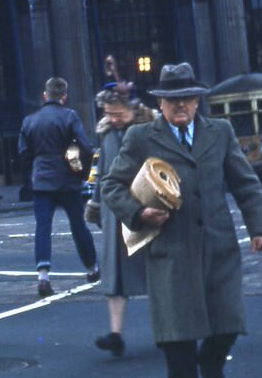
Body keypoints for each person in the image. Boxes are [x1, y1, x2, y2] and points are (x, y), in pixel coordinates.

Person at [101, 63, 262, 378]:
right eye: (173, 99)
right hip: (171, 257)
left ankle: (209, 365)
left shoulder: (219, 132)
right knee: (178, 353)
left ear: (197, 100)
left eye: (188, 98)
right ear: (160, 103)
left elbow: (245, 184)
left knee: (227, 328)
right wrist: (139, 213)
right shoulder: (141, 136)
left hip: (218, 251)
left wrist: (259, 229)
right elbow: (111, 185)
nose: (181, 104)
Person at [86, 85, 155, 357]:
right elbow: (102, 172)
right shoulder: (107, 134)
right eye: (108, 113)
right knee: (114, 276)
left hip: (144, 209)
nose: (113, 118)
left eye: (118, 113)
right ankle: (116, 334)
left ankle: (169, 330)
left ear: (131, 109)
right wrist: (94, 202)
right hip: (113, 211)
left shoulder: (148, 130)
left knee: (156, 273)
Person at [18, 76, 99, 297]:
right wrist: (81, 173)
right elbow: (85, 146)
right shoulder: (69, 116)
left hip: (42, 181)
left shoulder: (30, 120)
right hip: (67, 180)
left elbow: (24, 153)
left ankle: (43, 275)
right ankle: (92, 267)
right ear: (64, 96)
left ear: (45, 95)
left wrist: (33, 172)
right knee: (78, 225)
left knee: (43, 227)